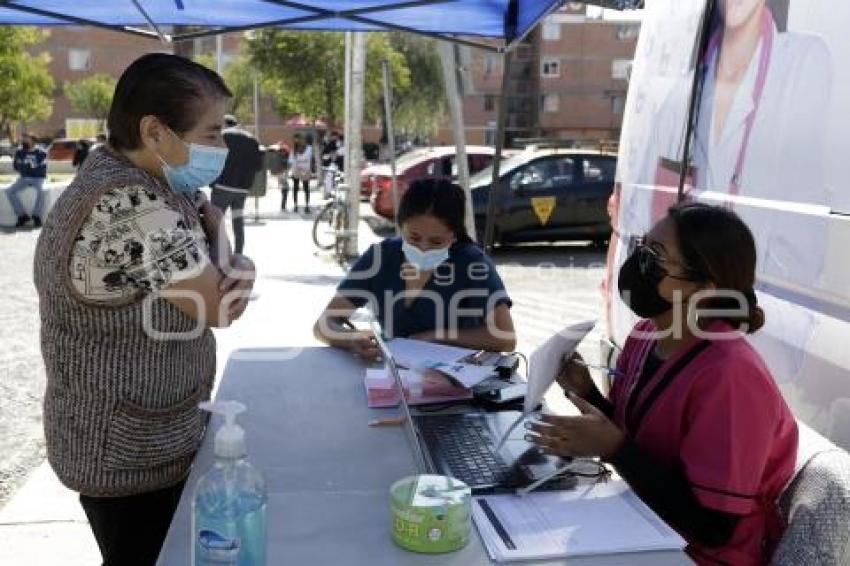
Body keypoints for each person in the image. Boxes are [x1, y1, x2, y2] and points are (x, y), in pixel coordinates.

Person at [34, 53, 256, 566]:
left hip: (145, 433)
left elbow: (210, 267)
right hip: (128, 452)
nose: (221, 148)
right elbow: (222, 306)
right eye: (212, 133)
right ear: (155, 131)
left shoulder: (147, 182)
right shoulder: (131, 207)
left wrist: (218, 244)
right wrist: (233, 251)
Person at [528, 202, 797, 565]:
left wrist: (614, 448)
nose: (639, 261)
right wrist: (586, 391)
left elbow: (714, 526)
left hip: (697, 555)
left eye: (655, 255)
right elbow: (640, 439)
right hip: (643, 523)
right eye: (641, 246)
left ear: (704, 286)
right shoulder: (646, 335)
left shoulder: (731, 375)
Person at [314, 178, 516, 359]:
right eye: (414, 238)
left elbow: (505, 337)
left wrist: (437, 337)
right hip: (392, 376)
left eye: (436, 242)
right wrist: (351, 338)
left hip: (456, 383)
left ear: (454, 235)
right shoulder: (380, 258)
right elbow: (324, 325)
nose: (424, 249)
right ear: (401, 227)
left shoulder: (472, 263)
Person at [210, 114, 262, 254]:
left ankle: (218, 254)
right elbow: (258, 166)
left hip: (222, 187)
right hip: (242, 190)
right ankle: (238, 254)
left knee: (216, 222)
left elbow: (212, 159)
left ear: (224, 124)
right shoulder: (252, 139)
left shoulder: (223, 136)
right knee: (237, 221)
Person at [7, 134, 48, 228]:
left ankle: (36, 216)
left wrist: (25, 165)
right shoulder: (20, 152)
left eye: (26, 139)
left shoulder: (41, 153)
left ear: (33, 141)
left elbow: (39, 167)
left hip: (38, 178)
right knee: (10, 191)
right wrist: (19, 163)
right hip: (24, 178)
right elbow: (16, 167)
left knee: (42, 191)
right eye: (23, 139)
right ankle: (22, 216)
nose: (24, 141)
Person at [289, 132, 312, 213]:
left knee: (306, 188)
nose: (297, 141)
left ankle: (307, 205)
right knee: (295, 188)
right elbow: (291, 160)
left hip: (305, 170)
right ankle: (295, 205)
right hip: (296, 170)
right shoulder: (294, 149)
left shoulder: (309, 148)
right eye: (295, 140)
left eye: (298, 139)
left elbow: (308, 157)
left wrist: (298, 160)